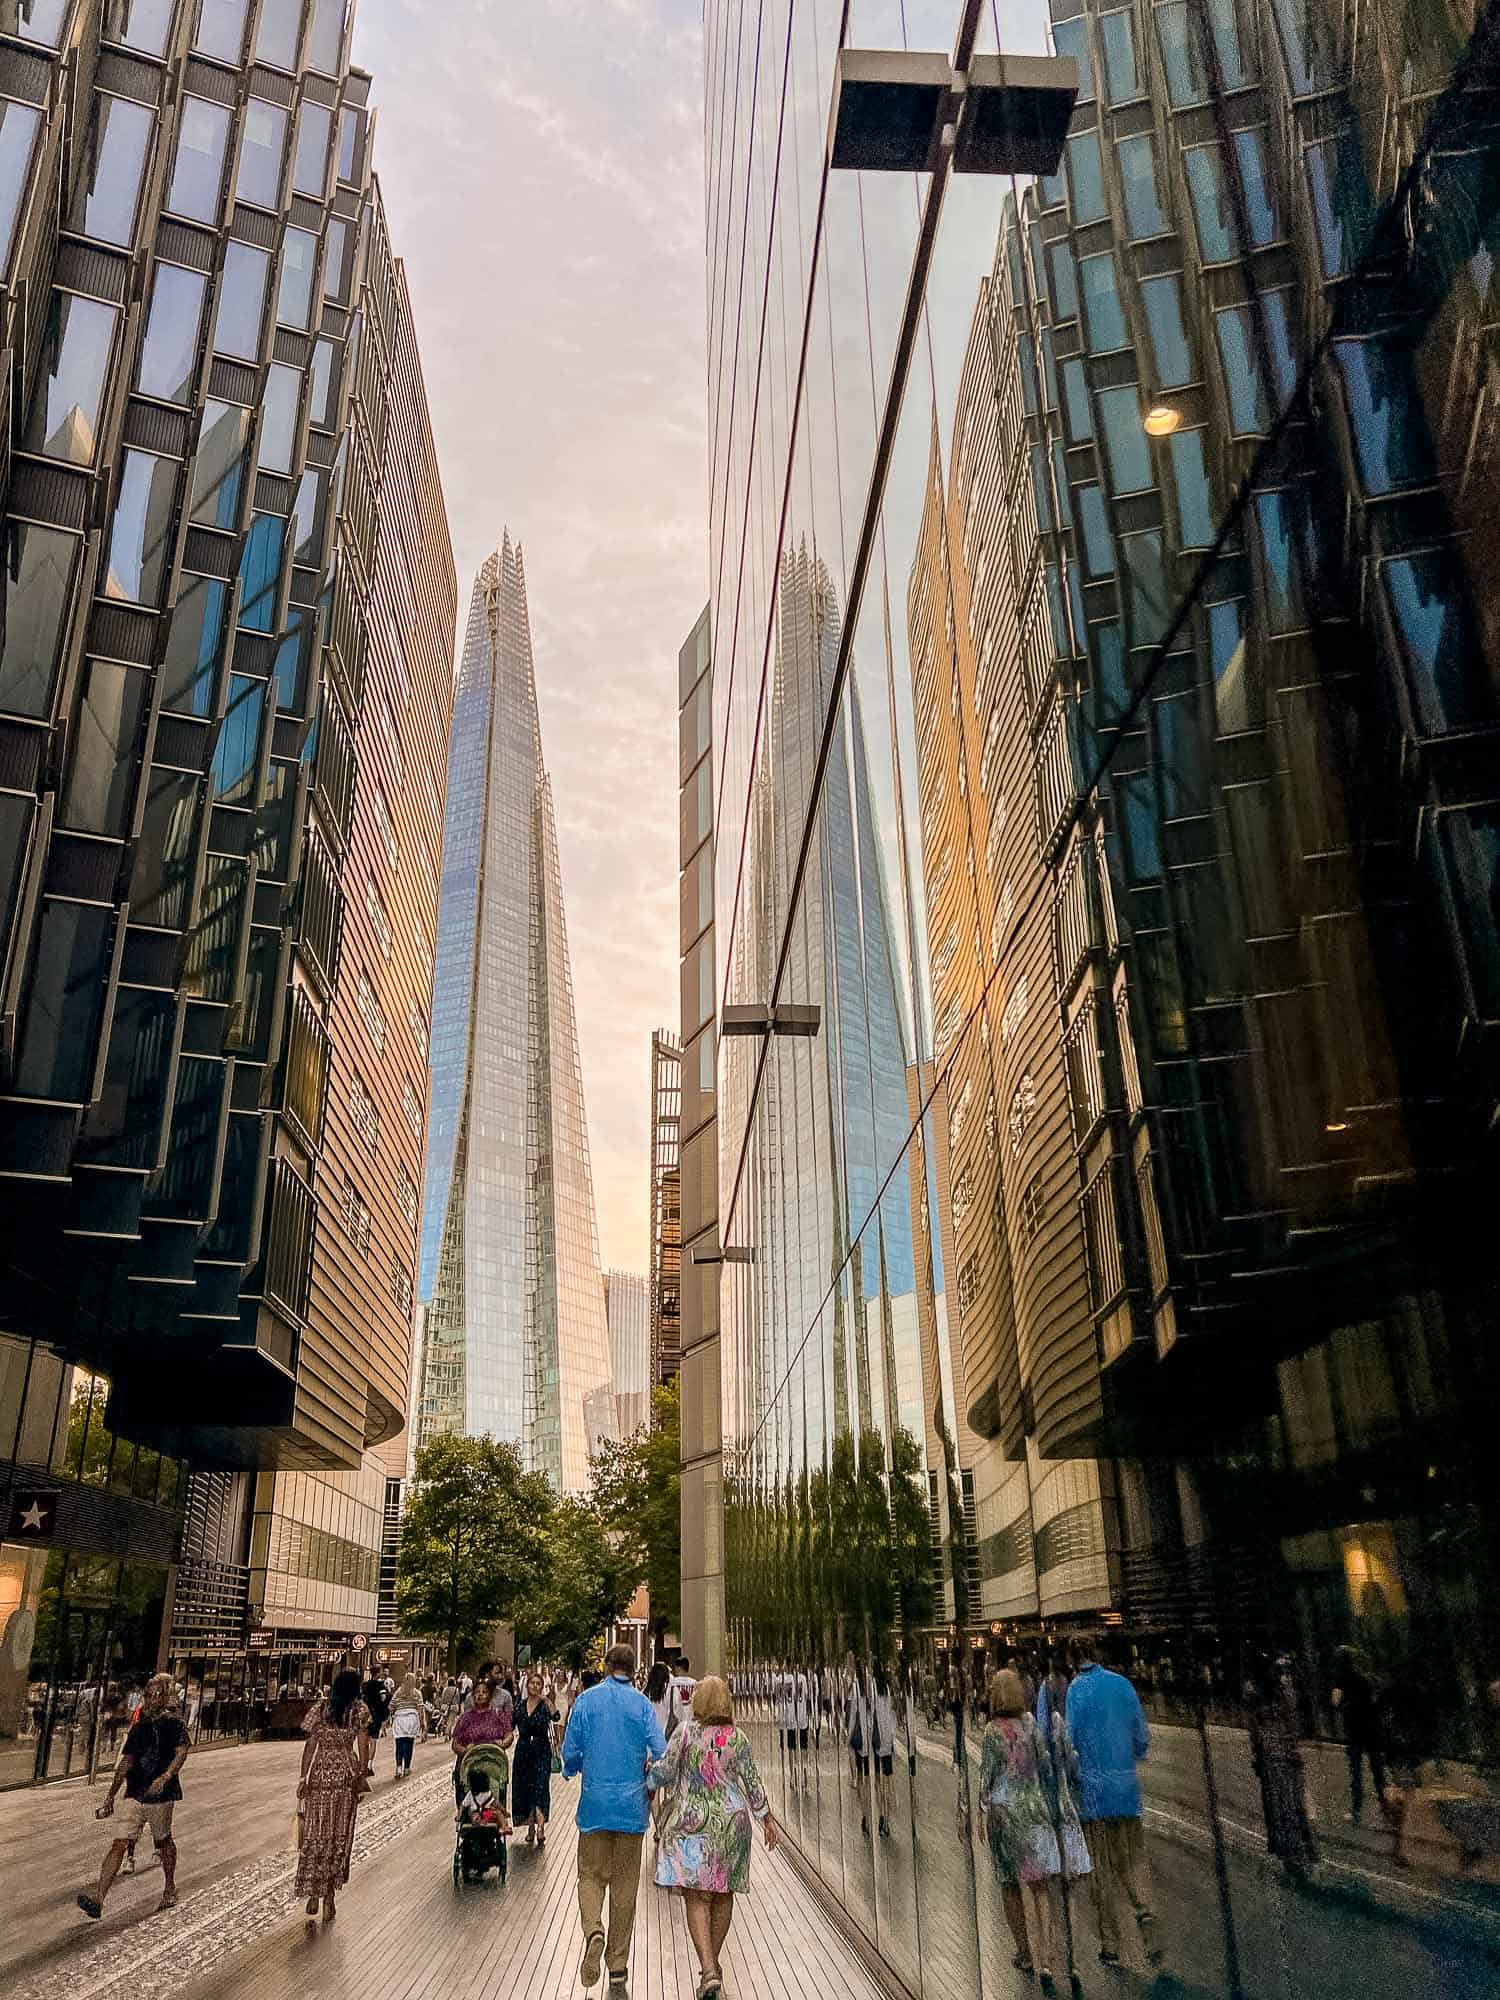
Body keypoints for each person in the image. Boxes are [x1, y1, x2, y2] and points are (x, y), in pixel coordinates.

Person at [649, 1675, 776, 2000]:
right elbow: (752, 1782)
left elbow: (663, 1773)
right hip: (732, 1825)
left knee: (697, 1897)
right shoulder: (738, 1739)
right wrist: (766, 1818)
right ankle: (712, 1969)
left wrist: (647, 1775)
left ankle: (708, 1969)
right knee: (722, 1895)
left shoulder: (685, 1733)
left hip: (694, 1825)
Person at [562, 1642, 667, 1994]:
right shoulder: (641, 1705)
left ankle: (594, 1930)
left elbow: (570, 1751)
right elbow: (661, 1753)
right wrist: (649, 1777)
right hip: (631, 1809)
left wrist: (575, 1767)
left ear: (607, 1666)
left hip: (594, 1806)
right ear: (633, 1668)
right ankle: (618, 1966)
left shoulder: (586, 1701)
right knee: (625, 1888)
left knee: (590, 1876)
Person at [982, 1668, 1089, 1989]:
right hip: (1036, 1812)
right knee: (1041, 1888)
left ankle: (1025, 1952)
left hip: (1006, 1818)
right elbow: (1046, 1767)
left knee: (1010, 1885)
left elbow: (986, 1780)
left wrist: (978, 1810)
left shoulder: (991, 1732)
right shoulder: (1030, 1725)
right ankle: (1047, 1959)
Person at [1065, 1640, 1160, 1971]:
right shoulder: (1122, 1684)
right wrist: (1127, 1756)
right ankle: (1145, 1913)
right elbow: (1142, 1736)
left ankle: (1110, 1944)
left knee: (1102, 1870)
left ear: (1074, 1661)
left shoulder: (1076, 1690)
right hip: (1126, 1791)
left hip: (1094, 1797)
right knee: (1132, 1861)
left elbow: (1070, 1742)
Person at [77, 1673, 189, 1919]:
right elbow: (127, 1760)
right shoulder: (140, 1726)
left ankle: (169, 1886)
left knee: (163, 1841)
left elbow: (181, 1752)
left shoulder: (175, 1723)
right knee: (119, 1842)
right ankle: (98, 1898)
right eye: (148, 1694)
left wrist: (165, 1777)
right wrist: (111, 1794)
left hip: (160, 1795)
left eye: (157, 1694)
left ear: (167, 1695)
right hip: (135, 1791)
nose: (151, 1699)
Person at [295, 1669, 371, 1921]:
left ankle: (313, 1895)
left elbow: (310, 1744)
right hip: (345, 1777)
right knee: (339, 1835)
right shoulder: (359, 1710)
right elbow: (362, 1745)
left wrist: (304, 1776)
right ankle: (329, 1897)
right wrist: (360, 1773)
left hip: (320, 1774)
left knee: (316, 1834)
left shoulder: (322, 1708)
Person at [1246, 1658, 1318, 1886]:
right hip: (1287, 1758)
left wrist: (1258, 1758)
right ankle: (1304, 1854)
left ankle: (1292, 1856)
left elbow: (1257, 1734)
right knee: (1295, 1807)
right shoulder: (1283, 1697)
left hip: (1273, 1761)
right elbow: (1293, 1726)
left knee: (1281, 1809)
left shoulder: (1258, 1702)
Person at [1331, 1646, 1387, 1826]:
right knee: (1377, 1770)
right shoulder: (1364, 1678)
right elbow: (1375, 1700)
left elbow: (1335, 1701)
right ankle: (1384, 1804)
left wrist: (1343, 1709)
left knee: (1356, 1772)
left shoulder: (1340, 1679)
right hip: (1371, 1729)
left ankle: (1356, 1812)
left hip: (1354, 1730)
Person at [451, 1677, 516, 1808]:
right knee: (462, 1778)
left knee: (497, 1783)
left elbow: (509, 1734)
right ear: (473, 1696)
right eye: (477, 1692)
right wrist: (463, 1750)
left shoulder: (498, 1714)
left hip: (493, 1760)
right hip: (469, 1759)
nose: (480, 1695)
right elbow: (456, 1741)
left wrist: (503, 1743)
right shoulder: (465, 1717)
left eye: (484, 1692)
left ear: (490, 1696)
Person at [513, 1669, 560, 1847]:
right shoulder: (520, 1704)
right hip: (524, 1750)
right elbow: (511, 1724)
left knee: (540, 1787)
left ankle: (540, 1827)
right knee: (526, 1788)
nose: (535, 1686)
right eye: (532, 1683)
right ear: (527, 1684)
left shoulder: (544, 1704)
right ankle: (530, 1827)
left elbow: (556, 1717)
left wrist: (548, 1701)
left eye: (538, 1684)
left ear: (542, 1686)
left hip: (541, 1749)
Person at [390, 1674, 426, 1779]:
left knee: (399, 1744)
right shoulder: (417, 1693)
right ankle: (407, 1768)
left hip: (400, 1719)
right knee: (409, 1744)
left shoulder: (398, 1692)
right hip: (412, 1719)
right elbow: (420, 1709)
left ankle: (398, 1768)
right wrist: (422, 1723)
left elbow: (391, 1706)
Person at [361, 1669, 391, 1773]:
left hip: (365, 1715)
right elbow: (383, 1698)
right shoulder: (381, 1686)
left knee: (364, 1742)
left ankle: (363, 1764)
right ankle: (369, 1766)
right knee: (373, 1741)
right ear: (378, 1673)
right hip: (376, 1716)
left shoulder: (365, 1685)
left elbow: (362, 1699)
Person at [645, 1660, 679, 1740]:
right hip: (666, 1738)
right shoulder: (673, 1691)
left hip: (649, 1739)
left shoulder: (645, 1692)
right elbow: (678, 1715)